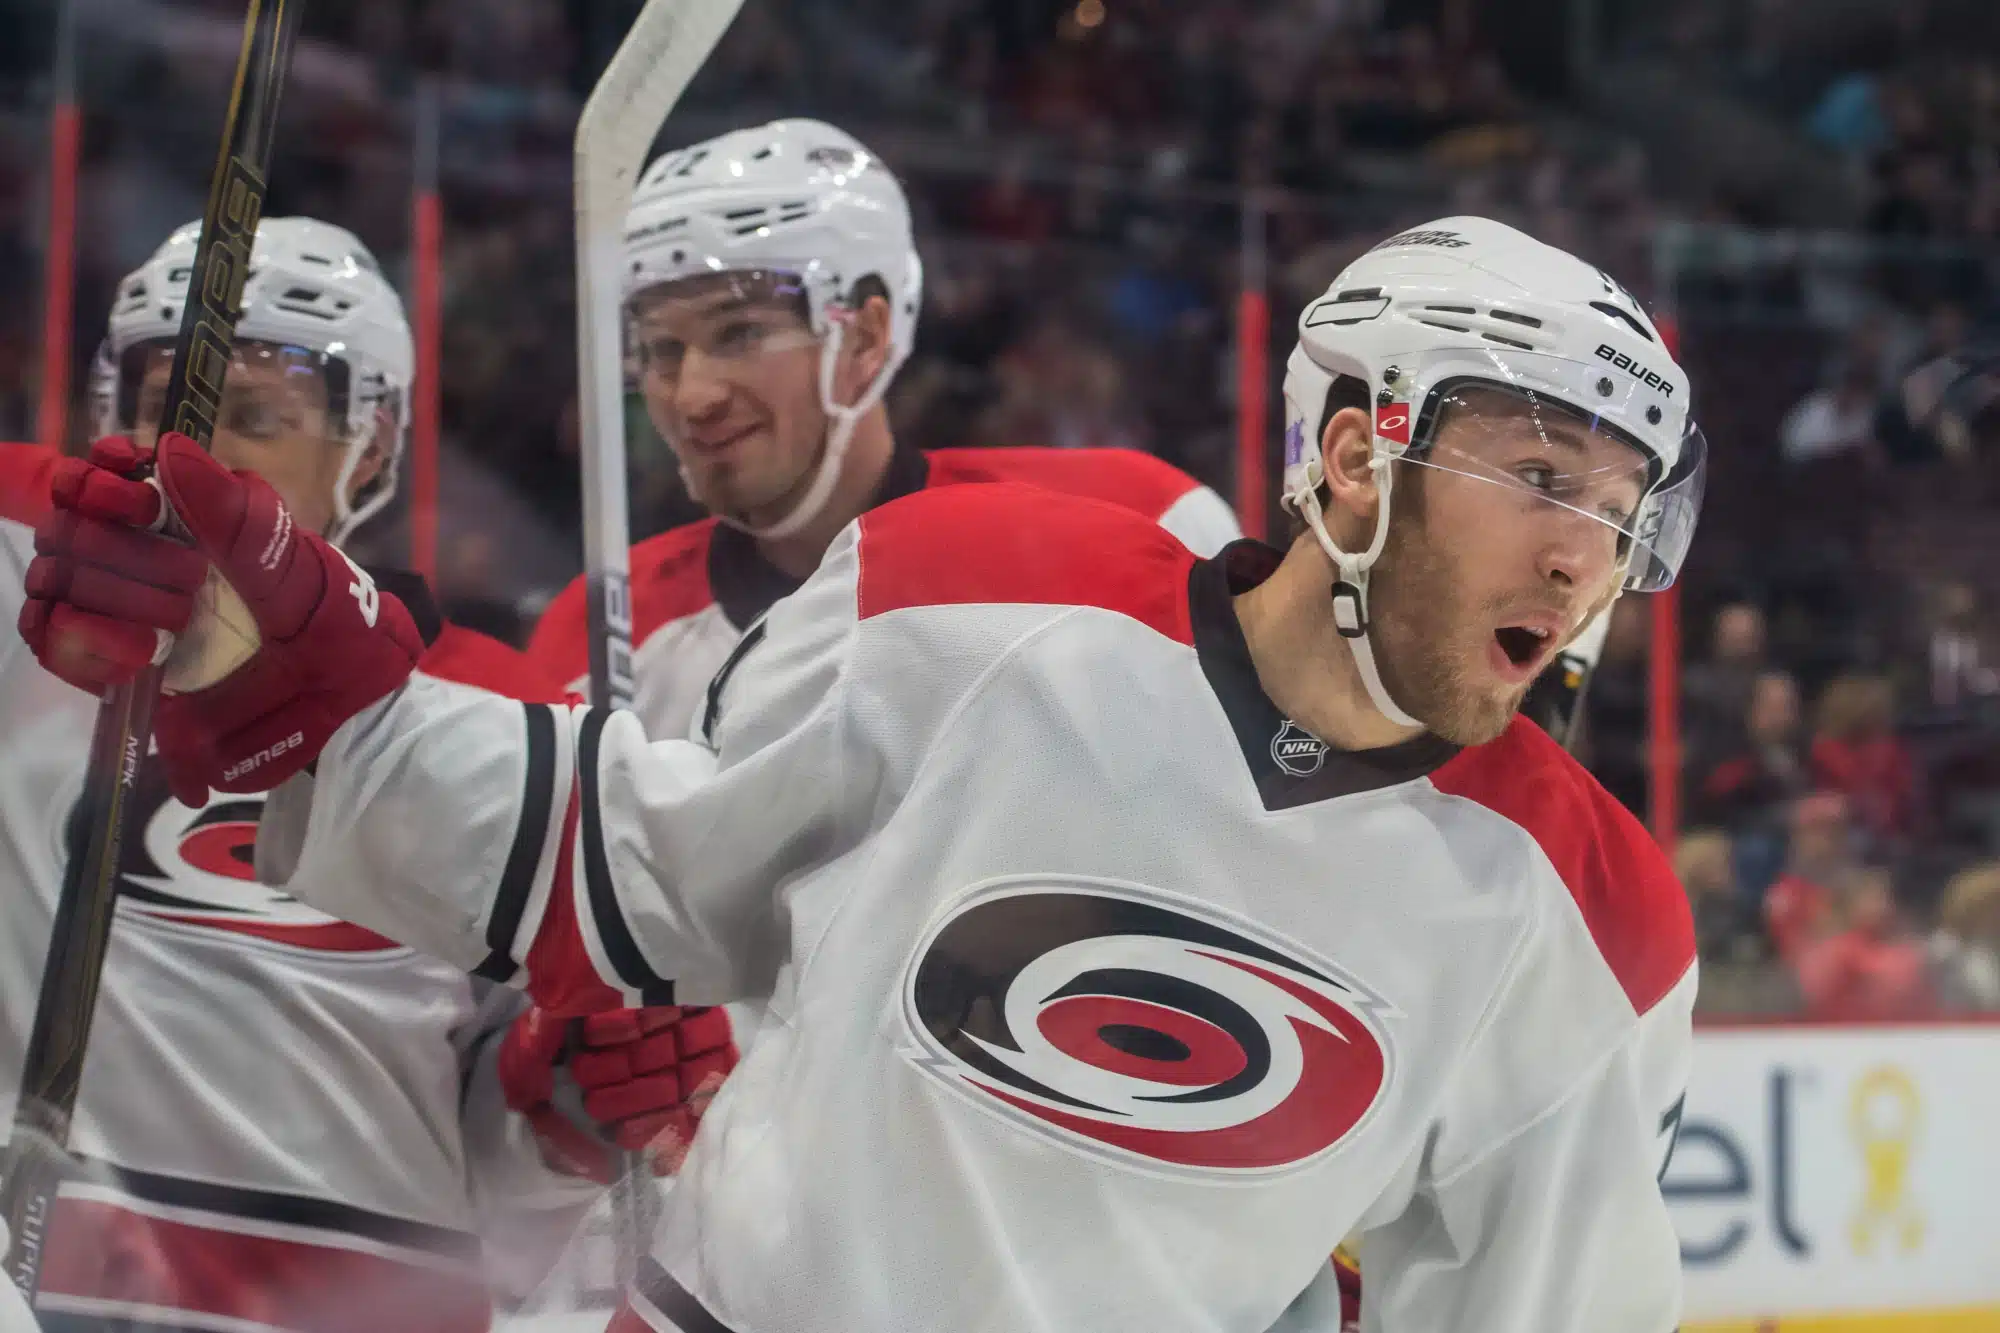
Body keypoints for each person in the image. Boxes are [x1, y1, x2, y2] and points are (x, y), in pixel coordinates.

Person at [21, 215, 1705, 1331]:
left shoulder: (1594, 922)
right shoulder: (984, 598)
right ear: (1357, 447)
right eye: (1546, 471)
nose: (1585, 558)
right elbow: (643, 864)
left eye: (1620, 510)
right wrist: (302, 676)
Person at [0, 219, 699, 1331]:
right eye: (159, 413)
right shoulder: (25, 628)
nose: (199, 458)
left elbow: (503, 1188)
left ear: (368, 450)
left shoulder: (501, 717)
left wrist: (561, 1115)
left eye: (257, 418)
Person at [525, 118, 1242, 742]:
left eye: (739, 332)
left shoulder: (1143, 524)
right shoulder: (596, 637)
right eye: (661, 350)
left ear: (867, 337)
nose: (693, 395)